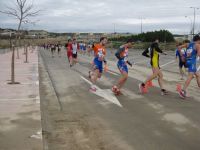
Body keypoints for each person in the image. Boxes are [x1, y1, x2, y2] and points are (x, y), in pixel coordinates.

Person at [179, 34, 200, 99]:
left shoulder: (188, 44)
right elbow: (199, 54)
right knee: (190, 77)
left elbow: (179, 47)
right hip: (192, 62)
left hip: (187, 62)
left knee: (197, 75)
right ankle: (183, 91)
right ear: (198, 40)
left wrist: (182, 56)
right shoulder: (198, 45)